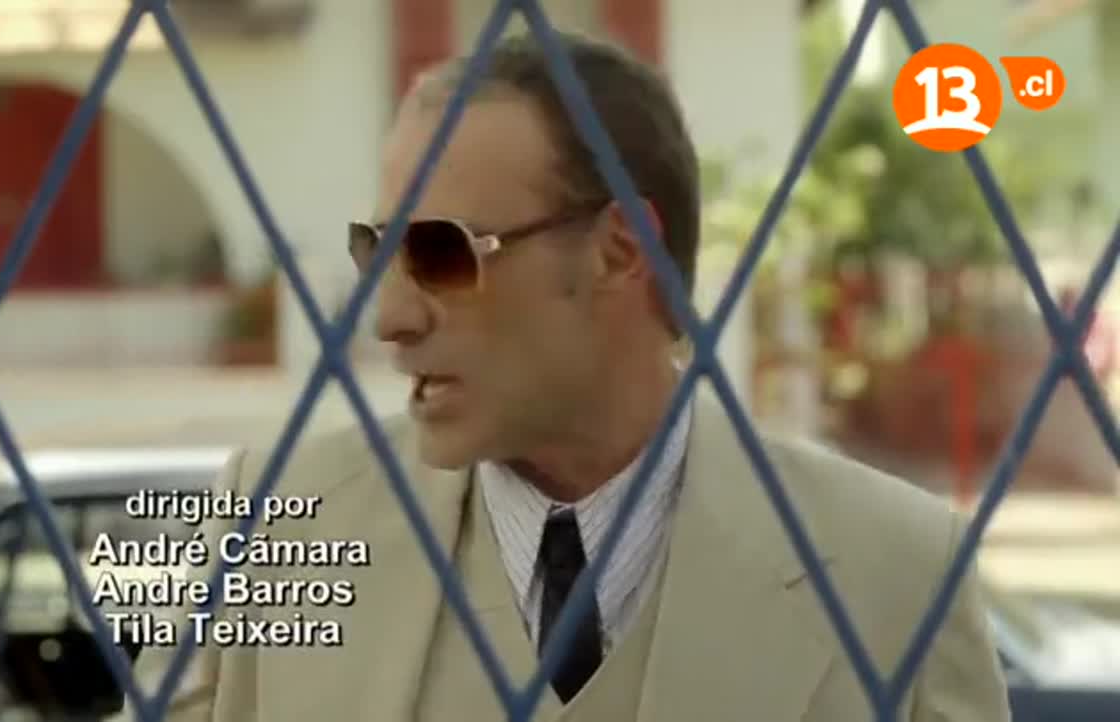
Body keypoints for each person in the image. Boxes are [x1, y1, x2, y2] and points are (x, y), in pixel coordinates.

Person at [123, 31, 1009, 722]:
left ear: (621, 249)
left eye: (440, 253)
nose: (388, 318)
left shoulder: (899, 575)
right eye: (378, 252)